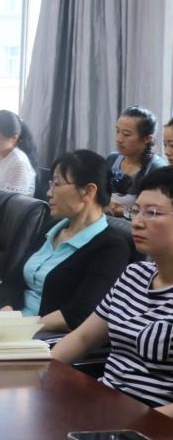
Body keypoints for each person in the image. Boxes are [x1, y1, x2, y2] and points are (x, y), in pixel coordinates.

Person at [54, 166, 173, 414]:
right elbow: (83, 338)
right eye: (136, 211)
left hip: (153, 425)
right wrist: (40, 374)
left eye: (152, 213)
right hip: (103, 407)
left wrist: (136, 425)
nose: (137, 222)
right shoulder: (133, 275)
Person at [0, 150, 131, 332]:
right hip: (10, 325)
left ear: (88, 191)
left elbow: (79, 314)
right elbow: (12, 281)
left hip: (45, 337)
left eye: (57, 184)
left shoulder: (111, 247)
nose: (49, 193)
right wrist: (6, 311)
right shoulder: (51, 228)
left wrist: (23, 327)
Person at [107, 106, 168, 217]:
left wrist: (124, 212)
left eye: (126, 134)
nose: (118, 139)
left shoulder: (157, 170)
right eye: (117, 131)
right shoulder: (112, 159)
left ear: (147, 139)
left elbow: (157, 214)